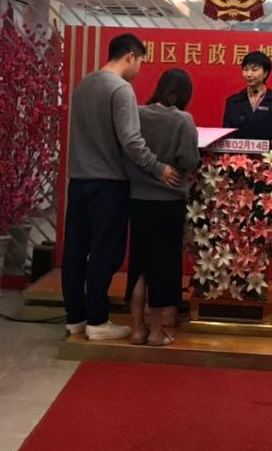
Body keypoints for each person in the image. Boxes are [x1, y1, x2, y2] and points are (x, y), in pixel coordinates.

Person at [63, 33, 181, 340]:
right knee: (106, 252)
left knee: (75, 251)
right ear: (130, 56)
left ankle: (75, 318)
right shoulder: (121, 88)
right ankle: (97, 321)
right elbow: (131, 140)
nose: (139, 68)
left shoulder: (84, 84)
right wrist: (158, 168)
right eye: (140, 61)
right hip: (109, 184)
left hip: (78, 181)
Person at [125, 68, 200, 347]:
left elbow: (129, 150)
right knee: (163, 267)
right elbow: (189, 160)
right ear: (184, 94)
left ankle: (137, 330)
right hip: (168, 203)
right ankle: (157, 332)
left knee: (140, 267)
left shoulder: (138, 114)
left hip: (138, 199)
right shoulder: (183, 119)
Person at [222, 49, 272, 140]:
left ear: (265, 73)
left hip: (268, 149)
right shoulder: (233, 101)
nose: (249, 74)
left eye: (254, 70)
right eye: (246, 69)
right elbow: (227, 135)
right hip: (238, 149)